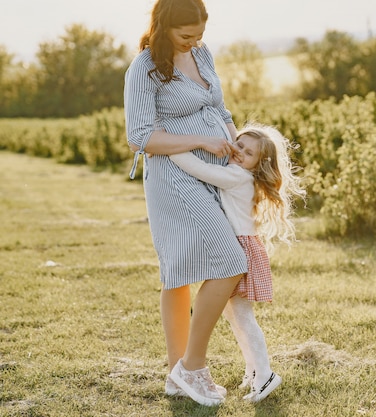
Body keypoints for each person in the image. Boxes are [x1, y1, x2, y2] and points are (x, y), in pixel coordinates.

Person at [123, 0, 247, 407]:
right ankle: (192, 365)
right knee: (227, 261)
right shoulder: (144, 68)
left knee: (180, 272)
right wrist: (202, 140)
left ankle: (177, 376)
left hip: (217, 176)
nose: (194, 42)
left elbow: (219, 107)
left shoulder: (202, 53)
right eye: (185, 36)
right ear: (163, 27)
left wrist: (236, 147)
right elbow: (141, 136)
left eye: (200, 34)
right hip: (176, 179)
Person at [169, 122, 306, 403]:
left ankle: (265, 373)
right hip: (241, 246)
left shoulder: (237, 176)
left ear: (258, 163)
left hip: (240, 248)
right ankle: (255, 371)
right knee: (236, 317)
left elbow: (200, 169)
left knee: (243, 318)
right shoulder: (241, 175)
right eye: (239, 145)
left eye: (248, 152)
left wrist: (173, 149)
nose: (239, 152)